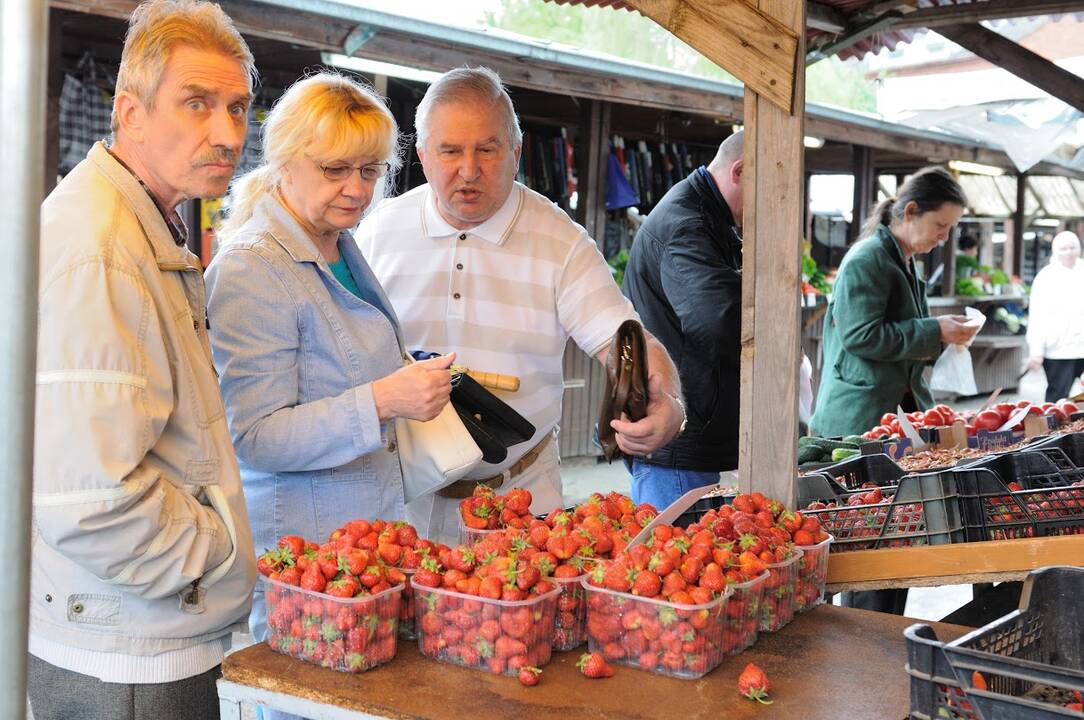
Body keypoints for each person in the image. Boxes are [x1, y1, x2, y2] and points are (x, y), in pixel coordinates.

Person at [29, 2, 257, 718]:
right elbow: (89, 501)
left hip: (141, 632)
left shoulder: (138, 217)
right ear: (130, 113)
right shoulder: (102, 246)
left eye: (237, 108)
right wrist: (217, 556)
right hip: (128, 653)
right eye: (197, 104)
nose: (227, 134)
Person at [356, 66, 685, 543]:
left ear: (516, 151)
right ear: (423, 155)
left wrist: (668, 403)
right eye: (450, 151)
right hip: (399, 500)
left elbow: (624, 340)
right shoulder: (377, 233)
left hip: (520, 503)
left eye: (487, 149)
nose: (469, 170)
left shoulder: (560, 241)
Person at [207, 74, 453, 648]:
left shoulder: (338, 243)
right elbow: (258, 437)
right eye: (335, 169)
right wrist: (385, 399)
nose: (357, 189)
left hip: (368, 543)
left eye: (370, 171)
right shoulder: (251, 267)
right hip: (312, 561)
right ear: (285, 162)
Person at [810, 165, 976, 614]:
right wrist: (933, 330)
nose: (944, 237)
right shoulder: (868, 260)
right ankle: (864, 636)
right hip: (858, 419)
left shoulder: (903, 259)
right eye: (941, 225)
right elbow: (861, 336)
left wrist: (939, 332)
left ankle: (877, 630)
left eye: (950, 228)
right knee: (871, 537)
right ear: (911, 210)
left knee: (894, 533)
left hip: (893, 422)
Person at [621, 132, 744, 509]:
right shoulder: (688, 225)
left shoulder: (701, 213)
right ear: (740, 172)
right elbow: (719, 319)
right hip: (676, 438)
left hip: (684, 429)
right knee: (675, 557)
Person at [1026, 230, 1084, 402]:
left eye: (1072, 247)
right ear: (1055, 251)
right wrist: (1036, 351)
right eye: (1063, 248)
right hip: (1057, 350)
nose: (1068, 252)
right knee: (1058, 398)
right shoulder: (1045, 277)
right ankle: (1053, 429)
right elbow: (1037, 316)